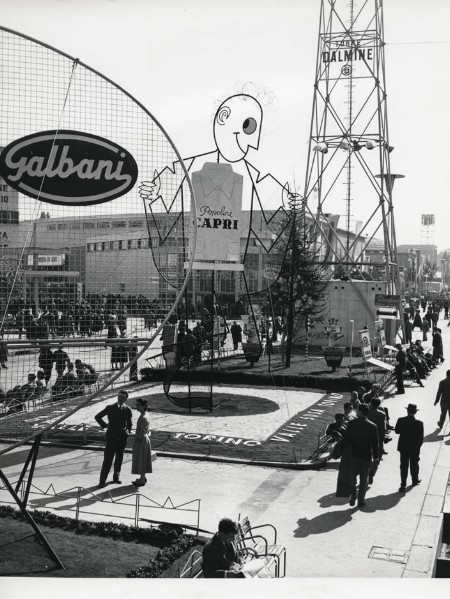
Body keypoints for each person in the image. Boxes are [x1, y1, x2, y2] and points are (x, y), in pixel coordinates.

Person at [342, 403, 379, 508]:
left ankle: (353, 495)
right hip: (366, 457)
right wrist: (376, 457)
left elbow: (347, 439)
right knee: (364, 481)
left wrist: (343, 451)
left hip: (353, 455)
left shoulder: (352, 423)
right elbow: (375, 444)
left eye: (357, 410)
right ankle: (361, 501)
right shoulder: (372, 426)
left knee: (352, 478)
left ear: (360, 412)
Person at [95, 390, 132, 488]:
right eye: (119, 396)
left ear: (125, 399)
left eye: (122, 397)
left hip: (122, 439)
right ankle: (102, 481)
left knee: (119, 458)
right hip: (111, 438)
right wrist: (105, 425)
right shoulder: (110, 408)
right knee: (107, 460)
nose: (120, 399)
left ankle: (116, 477)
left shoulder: (128, 409)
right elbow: (97, 417)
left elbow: (129, 422)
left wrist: (128, 431)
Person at [395, 403, 424, 492]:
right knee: (414, 464)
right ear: (415, 412)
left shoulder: (401, 420)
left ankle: (403, 484)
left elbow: (397, 431)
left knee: (403, 465)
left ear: (407, 411)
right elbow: (421, 438)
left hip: (403, 447)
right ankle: (415, 479)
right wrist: (418, 447)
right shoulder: (419, 423)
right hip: (414, 447)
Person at [131, 397, 152, 487]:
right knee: (142, 459)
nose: (136, 406)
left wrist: (136, 438)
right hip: (144, 439)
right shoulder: (145, 414)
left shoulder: (143, 417)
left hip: (141, 440)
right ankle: (142, 477)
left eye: (138, 405)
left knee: (141, 459)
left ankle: (142, 480)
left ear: (143, 406)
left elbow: (141, 432)